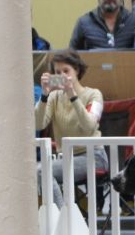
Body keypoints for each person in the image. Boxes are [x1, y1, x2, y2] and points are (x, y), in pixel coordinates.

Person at [35, 50, 108, 207]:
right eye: (57, 72)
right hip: (65, 158)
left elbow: (89, 126)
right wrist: (44, 95)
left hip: (94, 156)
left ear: (77, 70)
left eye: (66, 71)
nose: (62, 75)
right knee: (35, 170)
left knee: (42, 171)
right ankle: (59, 216)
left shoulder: (94, 94)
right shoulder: (54, 97)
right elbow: (38, 124)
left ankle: (63, 217)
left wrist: (72, 96)